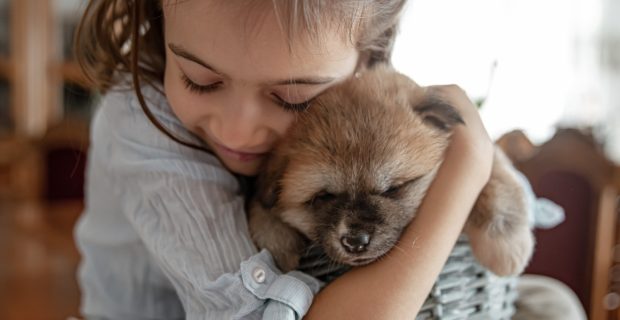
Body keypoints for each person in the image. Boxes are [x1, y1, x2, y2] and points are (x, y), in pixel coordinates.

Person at [73, 1, 584, 319]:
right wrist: (469, 166)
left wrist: (484, 167)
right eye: (200, 80)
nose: (239, 129)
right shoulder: (138, 116)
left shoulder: (372, 103)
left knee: (553, 306)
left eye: (294, 97)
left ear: (369, 57)